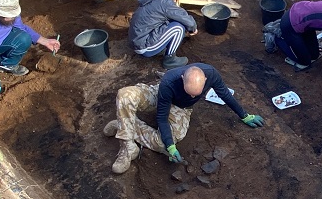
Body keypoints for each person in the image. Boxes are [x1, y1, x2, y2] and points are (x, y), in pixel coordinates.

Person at [102, 63, 265, 174]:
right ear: (182, 79)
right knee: (125, 95)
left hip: (181, 107)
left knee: (163, 142)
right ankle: (128, 145)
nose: (194, 96)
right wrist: (171, 147)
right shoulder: (169, 82)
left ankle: (123, 123)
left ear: (206, 80)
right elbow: (162, 117)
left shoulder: (211, 73)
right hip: (160, 95)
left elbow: (225, 95)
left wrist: (245, 115)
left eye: (197, 94)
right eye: (190, 93)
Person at [129, 0, 197, 69]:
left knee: (170, 20)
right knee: (178, 28)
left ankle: (161, 46)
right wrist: (193, 28)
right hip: (144, 47)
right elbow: (188, 21)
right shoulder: (165, 3)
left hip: (136, 40)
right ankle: (170, 60)